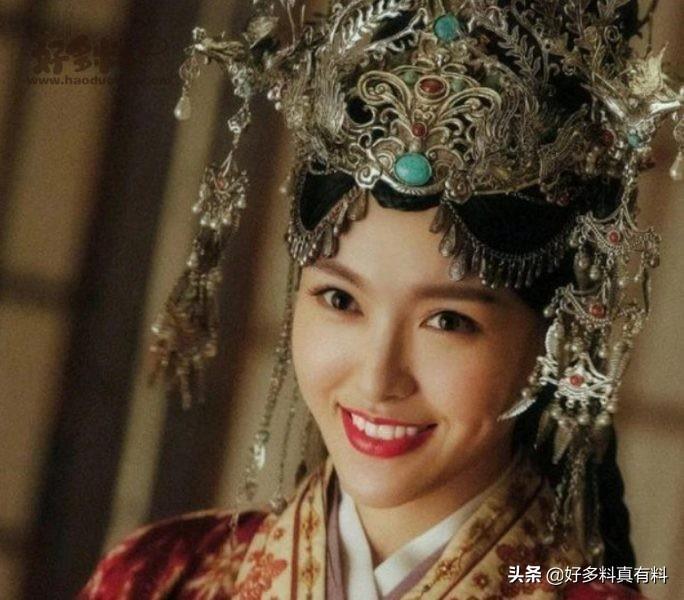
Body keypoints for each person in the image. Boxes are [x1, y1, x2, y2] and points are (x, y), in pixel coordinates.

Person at [78, 0, 683, 598]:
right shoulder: (158, 577)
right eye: (341, 301)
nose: (378, 378)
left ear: (556, 339)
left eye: (448, 321)